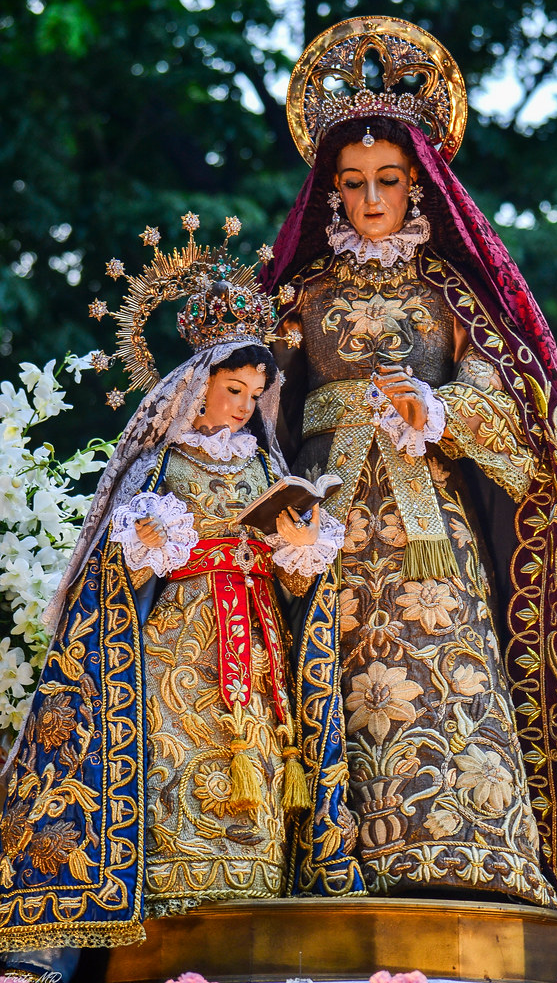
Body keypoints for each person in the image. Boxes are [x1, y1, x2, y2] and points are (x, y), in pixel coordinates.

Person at [261, 16, 557, 940]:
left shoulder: (448, 295)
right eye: (353, 184)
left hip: (430, 532)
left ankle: (472, 854)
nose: (371, 199)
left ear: (417, 186)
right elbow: (261, 402)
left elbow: (511, 400)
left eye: (388, 182)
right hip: (325, 521)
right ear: (330, 192)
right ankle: (327, 862)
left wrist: (438, 412)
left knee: (442, 658)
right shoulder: (301, 296)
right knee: (324, 672)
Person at [0, 221, 344, 979]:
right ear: (198, 382)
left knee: (253, 754)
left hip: (253, 641)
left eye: (255, 395)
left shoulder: (264, 464)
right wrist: (154, 535)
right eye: (231, 391)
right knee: (175, 756)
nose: (242, 409)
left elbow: (295, 579)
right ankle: (163, 910)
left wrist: (297, 542)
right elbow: (119, 556)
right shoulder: (159, 460)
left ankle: (246, 903)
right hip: (179, 642)